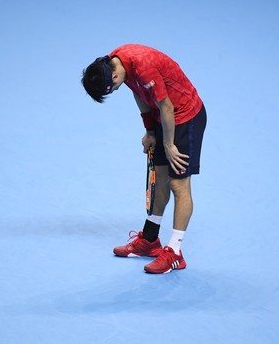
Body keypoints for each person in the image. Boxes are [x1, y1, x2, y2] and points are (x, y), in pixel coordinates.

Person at [81, 44, 207, 274]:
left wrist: (168, 144)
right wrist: (150, 131)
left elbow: (167, 106)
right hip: (163, 116)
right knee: (160, 179)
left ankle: (175, 253)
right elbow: (139, 93)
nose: (115, 90)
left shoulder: (143, 67)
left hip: (184, 115)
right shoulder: (116, 62)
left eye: (113, 88)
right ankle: (150, 240)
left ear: (114, 75)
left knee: (178, 184)